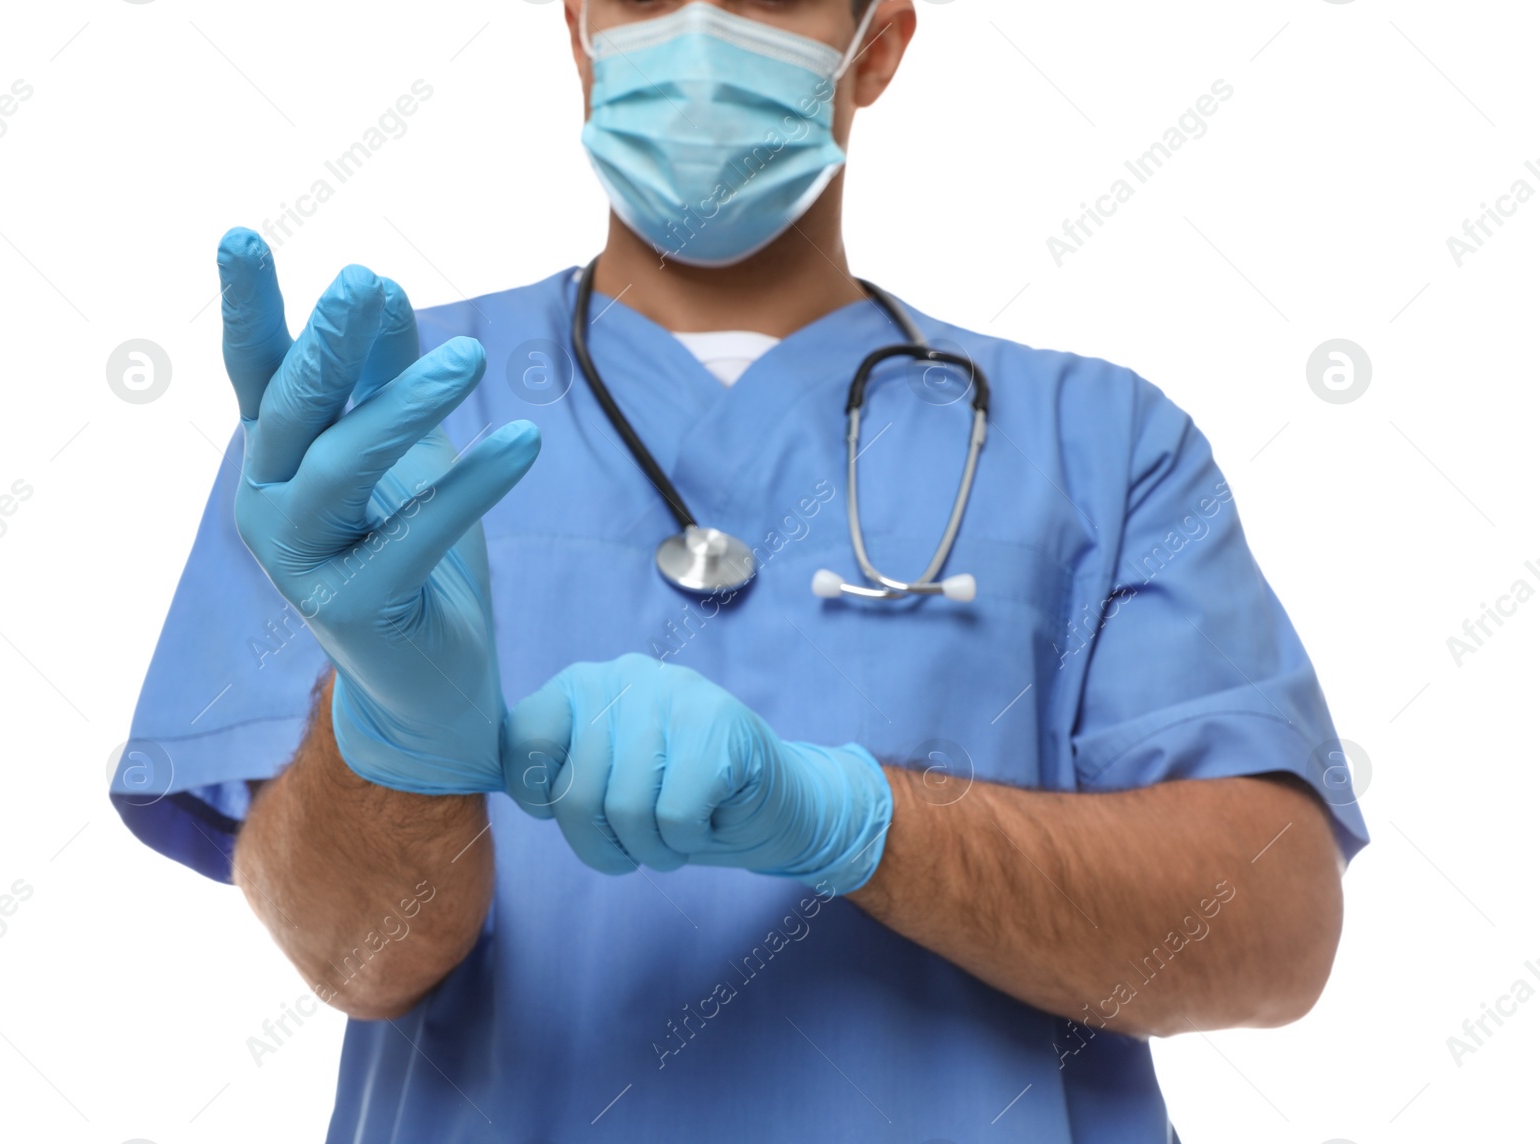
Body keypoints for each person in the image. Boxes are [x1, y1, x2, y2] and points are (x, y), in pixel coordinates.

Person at [113, 1, 1369, 1140]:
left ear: (874, 46)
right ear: (577, 31)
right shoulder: (371, 430)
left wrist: (850, 818)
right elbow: (350, 956)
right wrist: (386, 738)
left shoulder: (1098, 447)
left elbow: (1270, 933)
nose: (700, 30)